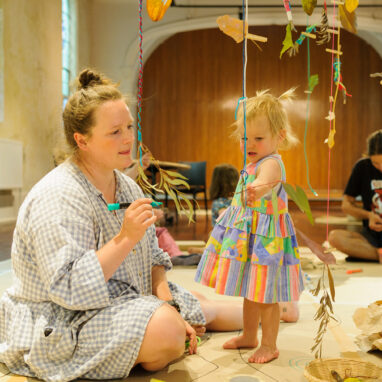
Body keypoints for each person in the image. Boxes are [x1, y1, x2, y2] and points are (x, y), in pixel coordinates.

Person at [0, 69, 244, 382]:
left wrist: (167, 304)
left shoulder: (127, 187)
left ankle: (275, 310)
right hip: (63, 321)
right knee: (169, 329)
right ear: (82, 140)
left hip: (119, 298)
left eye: (129, 126)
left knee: (192, 304)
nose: (129, 138)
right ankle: (159, 337)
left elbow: (154, 258)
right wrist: (126, 238)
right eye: (115, 132)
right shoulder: (58, 196)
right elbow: (69, 289)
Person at [195, 89, 304, 364]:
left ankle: (269, 344)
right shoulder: (253, 163)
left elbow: (266, 183)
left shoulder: (272, 163)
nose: (249, 144)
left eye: (258, 138)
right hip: (249, 237)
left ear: (279, 137)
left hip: (266, 241)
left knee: (266, 295)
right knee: (250, 289)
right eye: (245, 138)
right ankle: (248, 335)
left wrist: (256, 188)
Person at [328, 130, 382, 262]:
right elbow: (346, 205)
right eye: (376, 163)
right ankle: (378, 253)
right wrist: (368, 215)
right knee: (335, 237)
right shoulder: (362, 167)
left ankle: (374, 254)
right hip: (371, 237)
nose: (381, 168)